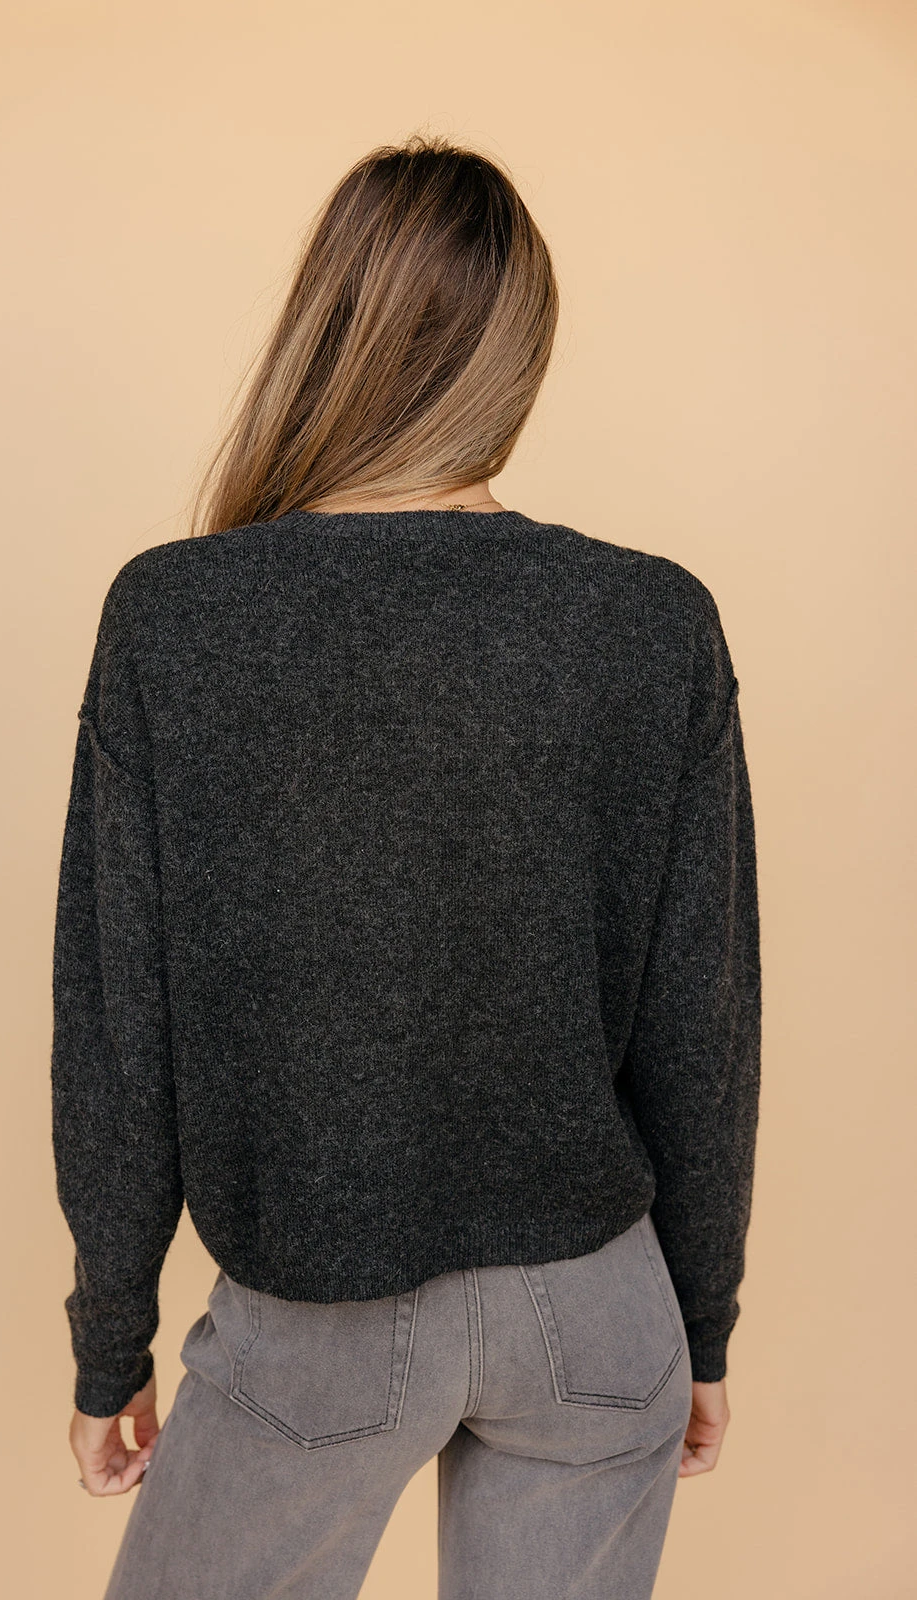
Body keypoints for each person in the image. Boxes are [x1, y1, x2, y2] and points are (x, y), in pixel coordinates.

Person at [50, 131, 760, 1599]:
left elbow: (119, 1033)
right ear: (521, 353)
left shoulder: (176, 619)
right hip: (597, 1312)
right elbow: (703, 1027)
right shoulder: (652, 623)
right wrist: (697, 1321)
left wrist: (110, 1338)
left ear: (326, 331)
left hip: (317, 1312)